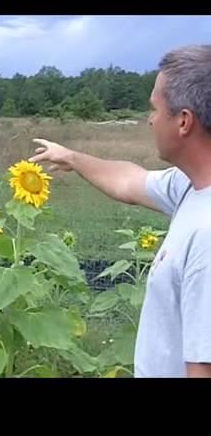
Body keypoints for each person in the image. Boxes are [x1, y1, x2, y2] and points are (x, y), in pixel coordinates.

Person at [29, 44, 211, 378]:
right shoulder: (190, 186)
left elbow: (203, 366)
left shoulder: (207, 236)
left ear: (184, 121)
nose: (150, 120)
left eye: (155, 109)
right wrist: (70, 157)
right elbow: (130, 181)